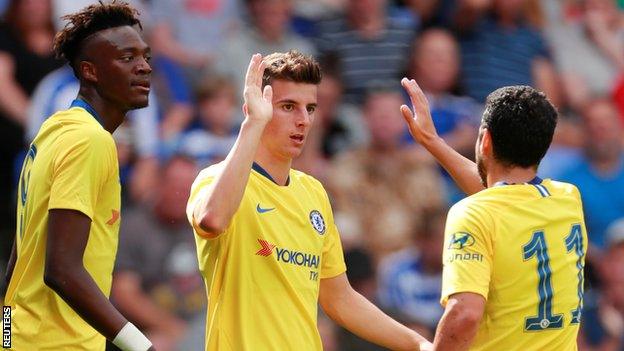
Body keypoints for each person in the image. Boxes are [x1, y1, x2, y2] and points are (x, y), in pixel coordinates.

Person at [186, 51, 432, 351]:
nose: (303, 120)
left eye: (311, 108)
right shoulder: (214, 180)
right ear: (255, 107)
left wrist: (418, 343)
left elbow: (340, 299)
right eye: (288, 107)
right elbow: (212, 220)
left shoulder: (314, 192)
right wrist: (253, 124)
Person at [4, 2, 154, 350]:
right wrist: (141, 346)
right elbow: (61, 269)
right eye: (127, 58)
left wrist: (7, 335)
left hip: (24, 339)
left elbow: (18, 259)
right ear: (91, 71)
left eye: (145, 56)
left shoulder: (53, 131)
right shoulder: (90, 140)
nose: (144, 67)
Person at [399, 78, 587, 350]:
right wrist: (431, 141)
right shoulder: (567, 198)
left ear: (485, 140)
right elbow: (500, 194)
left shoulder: (473, 214)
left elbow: (464, 314)